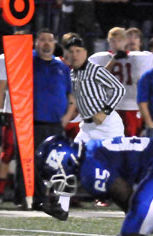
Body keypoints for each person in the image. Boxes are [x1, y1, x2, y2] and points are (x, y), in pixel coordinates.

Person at [43, 36, 126, 220]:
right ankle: (62, 208)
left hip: (108, 126)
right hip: (87, 127)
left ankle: (137, 208)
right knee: (68, 162)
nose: (75, 54)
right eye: (71, 51)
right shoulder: (71, 75)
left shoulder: (95, 70)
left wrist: (104, 111)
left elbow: (119, 89)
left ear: (86, 53)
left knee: (116, 170)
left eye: (78, 51)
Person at [15, 28, 76, 211]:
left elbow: (70, 96)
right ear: (36, 43)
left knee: (52, 164)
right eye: (42, 40)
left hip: (55, 124)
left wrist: (66, 117)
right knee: (27, 163)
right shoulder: (27, 61)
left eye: (50, 40)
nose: (46, 43)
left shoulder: (62, 67)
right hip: (30, 122)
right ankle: (25, 199)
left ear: (55, 44)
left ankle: (47, 200)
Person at [89, 27, 153, 137]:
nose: (116, 43)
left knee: (131, 140)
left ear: (125, 41)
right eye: (113, 40)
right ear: (108, 41)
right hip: (110, 106)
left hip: (132, 106)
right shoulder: (100, 58)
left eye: (119, 40)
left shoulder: (141, 57)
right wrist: (112, 61)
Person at [0, 53, 14, 205]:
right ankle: (0, 192)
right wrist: (0, 110)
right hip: (12, 110)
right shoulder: (3, 58)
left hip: (34, 110)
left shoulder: (36, 56)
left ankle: (31, 191)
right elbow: (1, 86)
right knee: (8, 151)